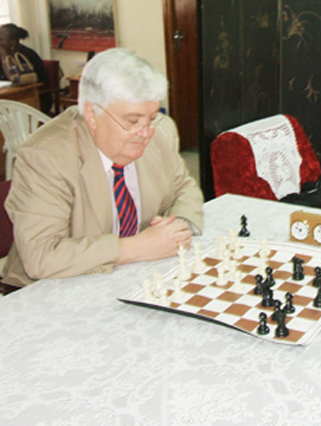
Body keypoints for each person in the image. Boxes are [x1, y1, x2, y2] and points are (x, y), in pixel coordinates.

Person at [2, 48, 204, 287]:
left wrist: (179, 224)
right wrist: (135, 247)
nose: (146, 133)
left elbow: (184, 187)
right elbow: (40, 256)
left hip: (132, 277)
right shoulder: (45, 157)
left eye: (151, 118)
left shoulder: (161, 131)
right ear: (91, 114)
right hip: (53, 286)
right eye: (132, 121)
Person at [0, 24, 52, 114]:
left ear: (13, 41)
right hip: (9, 98)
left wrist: (4, 57)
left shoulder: (27, 55)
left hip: (35, 97)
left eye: (1, 39)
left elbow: (14, 79)